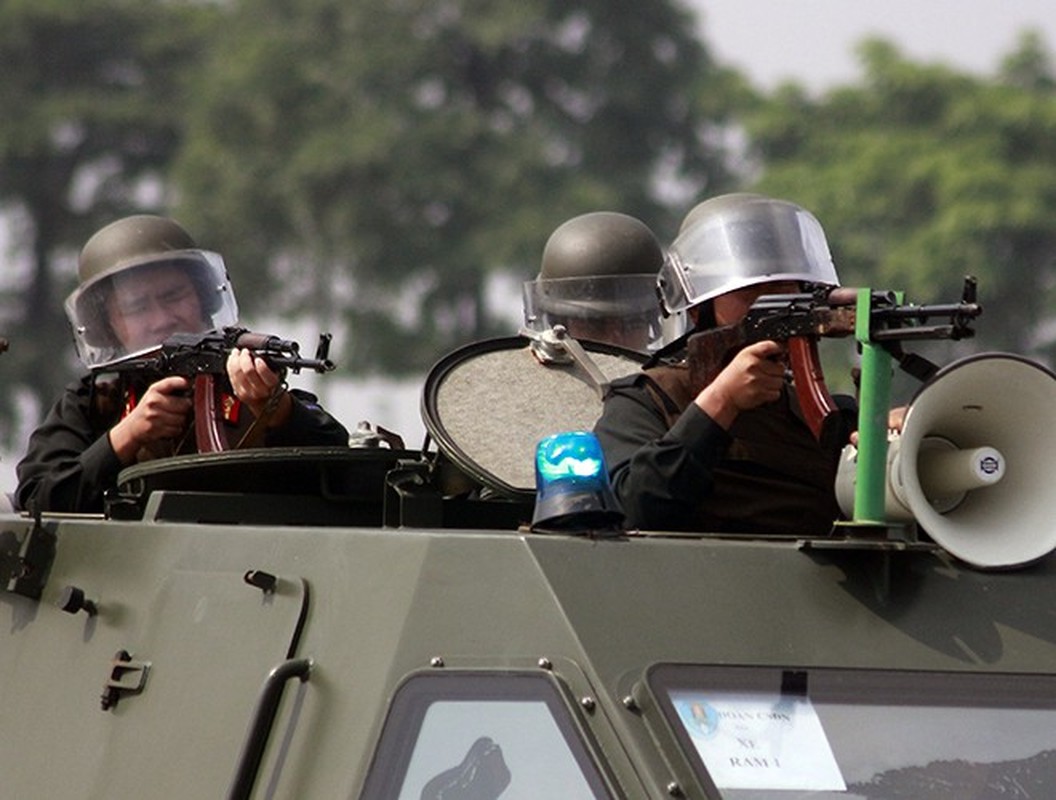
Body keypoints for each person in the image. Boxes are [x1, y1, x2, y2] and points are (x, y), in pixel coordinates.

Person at [16, 214, 350, 513]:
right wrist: (125, 437)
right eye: (136, 307)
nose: (162, 319)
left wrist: (279, 412)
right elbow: (36, 499)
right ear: (108, 323)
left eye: (174, 296)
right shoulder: (96, 399)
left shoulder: (243, 376)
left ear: (204, 297)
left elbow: (345, 473)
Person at [593, 193, 860, 535]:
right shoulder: (646, 402)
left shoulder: (823, 417)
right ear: (698, 308)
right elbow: (634, 510)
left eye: (786, 290)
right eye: (752, 293)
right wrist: (721, 401)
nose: (776, 304)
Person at [521, 211, 667, 353]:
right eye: (595, 326)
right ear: (558, 325)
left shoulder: (667, 377)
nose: (613, 340)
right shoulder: (526, 377)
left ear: (653, 324)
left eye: (631, 325)